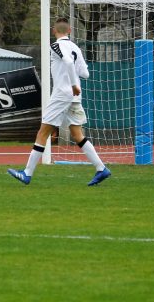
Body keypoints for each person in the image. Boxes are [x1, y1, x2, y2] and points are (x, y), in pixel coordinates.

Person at [7, 17, 110, 186]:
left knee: (43, 132)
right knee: (77, 135)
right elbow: (86, 74)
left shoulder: (55, 46)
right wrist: (74, 81)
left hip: (63, 94)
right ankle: (101, 168)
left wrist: (72, 84)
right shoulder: (75, 47)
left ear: (54, 31)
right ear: (69, 31)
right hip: (75, 97)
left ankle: (27, 174)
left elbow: (68, 63)